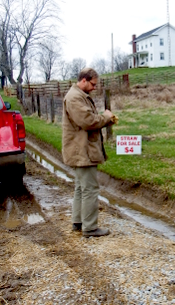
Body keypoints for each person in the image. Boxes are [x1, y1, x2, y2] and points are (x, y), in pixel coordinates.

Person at [62, 68, 115, 237]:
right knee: (90, 189)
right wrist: (106, 117)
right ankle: (90, 227)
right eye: (93, 84)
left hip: (80, 150)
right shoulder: (75, 97)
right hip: (82, 151)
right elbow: (88, 121)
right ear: (83, 80)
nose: (94, 88)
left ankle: (78, 222)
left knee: (80, 187)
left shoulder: (77, 96)